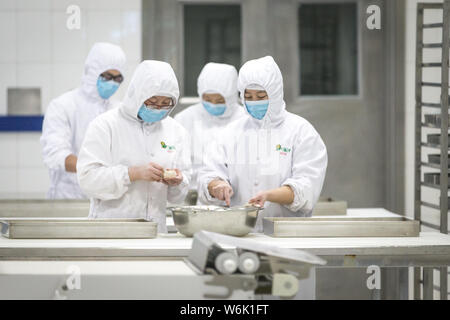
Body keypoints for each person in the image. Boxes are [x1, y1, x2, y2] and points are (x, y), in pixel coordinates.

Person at [198, 56, 328, 232]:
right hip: (239, 232)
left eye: (261, 96)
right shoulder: (231, 132)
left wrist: (270, 195)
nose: (254, 102)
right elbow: (209, 174)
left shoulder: (301, 132)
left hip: (287, 233)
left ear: (274, 94)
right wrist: (217, 186)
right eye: (248, 96)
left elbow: (306, 187)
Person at [76, 60, 191, 232]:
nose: (158, 108)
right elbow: (87, 178)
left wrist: (177, 182)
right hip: (111, 230)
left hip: (155, 231)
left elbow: (177, 197)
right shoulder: (105, 125)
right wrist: (131, 173)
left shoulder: (176, 131)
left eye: (165, 103)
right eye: (152, 101)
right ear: (138, 95)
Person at [40, 42, 126, 199]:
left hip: (107, 200)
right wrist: (95, 172)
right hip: (68, 198)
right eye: (108, 76)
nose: (113, 83)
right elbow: (56, 155)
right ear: (92, 72)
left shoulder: (119, 110)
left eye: (118, 78)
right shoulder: (63, 106)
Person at [174, 62, 245, 202]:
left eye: (219, 100)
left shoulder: (245, 119)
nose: (213, 104)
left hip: (235, 198)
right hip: (189, 198)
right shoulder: (185, 119)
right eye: (207, 99)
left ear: (231, 97)